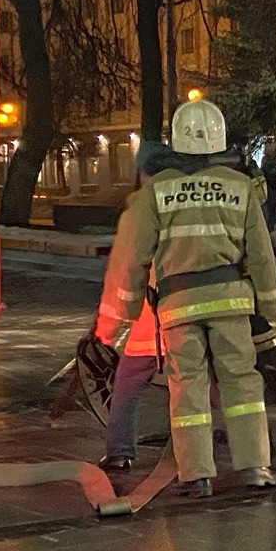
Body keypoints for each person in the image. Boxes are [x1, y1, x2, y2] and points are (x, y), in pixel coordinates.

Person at [96, 99, 276, 497]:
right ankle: (256, 468)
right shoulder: (241, 188)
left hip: (179, 306)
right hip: (232, 303)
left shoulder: (156, 192)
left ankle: (197, 475)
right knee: (242, 385)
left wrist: (128, 310)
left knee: (188, 387)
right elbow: (261, 253)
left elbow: (133, 257)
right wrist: (267, 305)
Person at [95, 141, 174, 472]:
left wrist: (110, 328)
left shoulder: (140, 208)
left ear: (142, 172)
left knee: (127, 382)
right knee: (209, 381)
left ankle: (120, 451)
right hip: (195, 314)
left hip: (150, 318)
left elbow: (125, 271)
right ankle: (249, 442)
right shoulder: (187, 200)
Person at [260, 141, 276, 231]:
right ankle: (269, 226)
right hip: (267, 184)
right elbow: (262, 170)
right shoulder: (264, 159)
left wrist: (272, 171)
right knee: (268, 205)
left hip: (273, 185)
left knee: (273, 205)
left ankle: (274, 224)